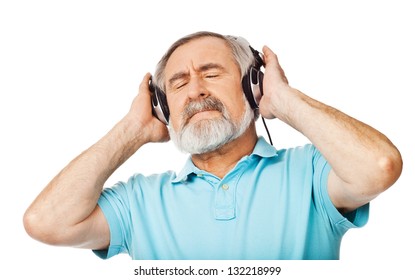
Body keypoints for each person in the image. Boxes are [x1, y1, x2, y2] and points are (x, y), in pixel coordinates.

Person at [23, 31, 403, 260]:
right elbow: (45, 223)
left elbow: (380, 166)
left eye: (211, 73)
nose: (195, 91)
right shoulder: (138, 201)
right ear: (162, 105)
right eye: (178, 83)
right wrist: (132, 130)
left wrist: (284, 101)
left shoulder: (312, 174)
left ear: (253, 85)